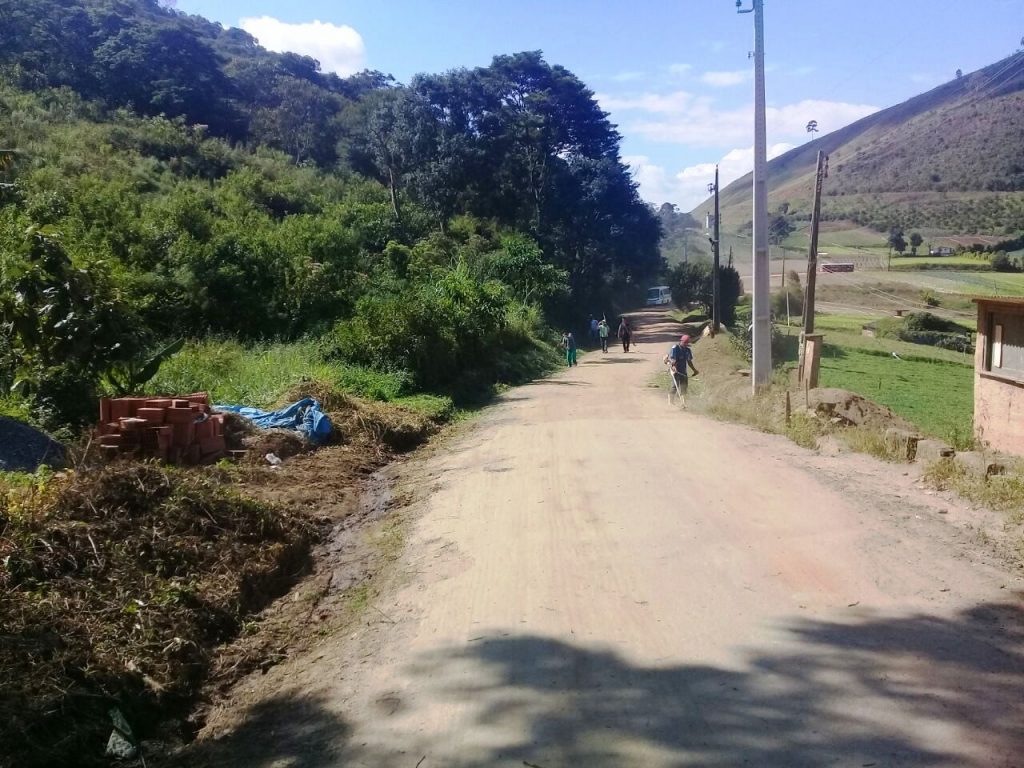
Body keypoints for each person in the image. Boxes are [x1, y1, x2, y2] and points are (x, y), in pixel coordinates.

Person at [664, 334, 699, 407]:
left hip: (683, 371)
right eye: (684, 342)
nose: (685, 344)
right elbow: (673, 359)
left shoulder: (687, 350)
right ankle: (670, 403)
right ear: (681, 341)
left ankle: (684, 403)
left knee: (684, 387)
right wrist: (674, 367)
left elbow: (689, 361)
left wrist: (694, 370)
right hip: (675, 370)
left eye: (687, 343)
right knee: (674, 386)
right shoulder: (675, 348)